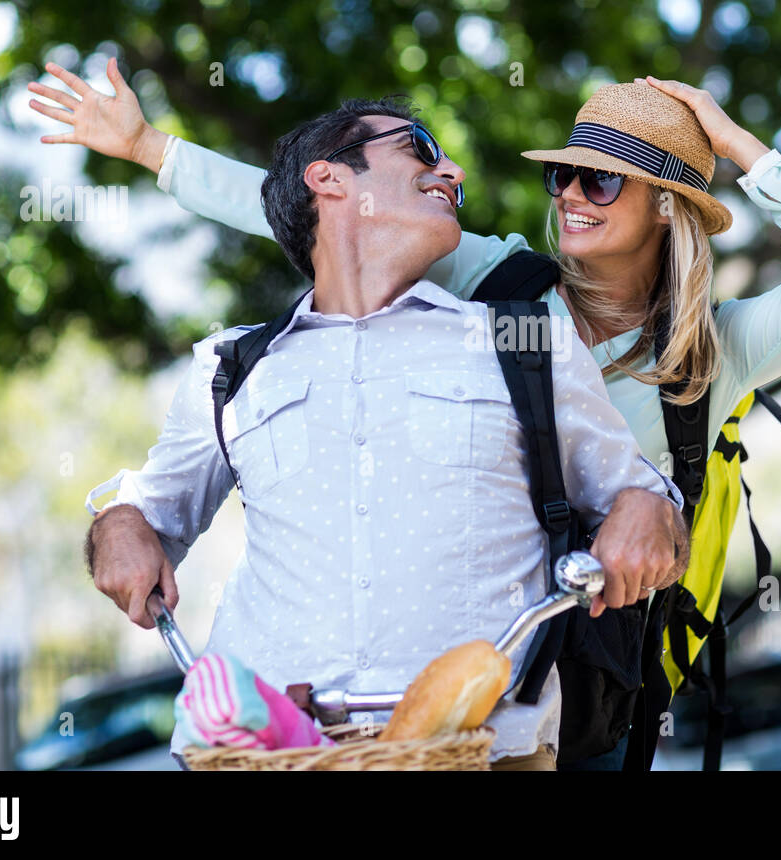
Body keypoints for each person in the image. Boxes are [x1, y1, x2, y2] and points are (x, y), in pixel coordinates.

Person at [33, 60, 781, 769]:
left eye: (601, 179)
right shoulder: (507, 288)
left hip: (594, 651)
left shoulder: (717, 349)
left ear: (667, 206)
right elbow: (328, 212)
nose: (570, 198)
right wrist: (151, 149)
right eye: (562, 175)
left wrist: (734, 144)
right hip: (468, 666)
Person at [82, 97, 687, 771]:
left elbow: (646, 499)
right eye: (422, 147)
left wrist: (645, 511)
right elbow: (143, 511)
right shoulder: (228, 369)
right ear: (330, 179)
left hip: (483, 753)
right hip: (263, 757)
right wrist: (121, 528)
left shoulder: (528, 345)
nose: (453, 170)